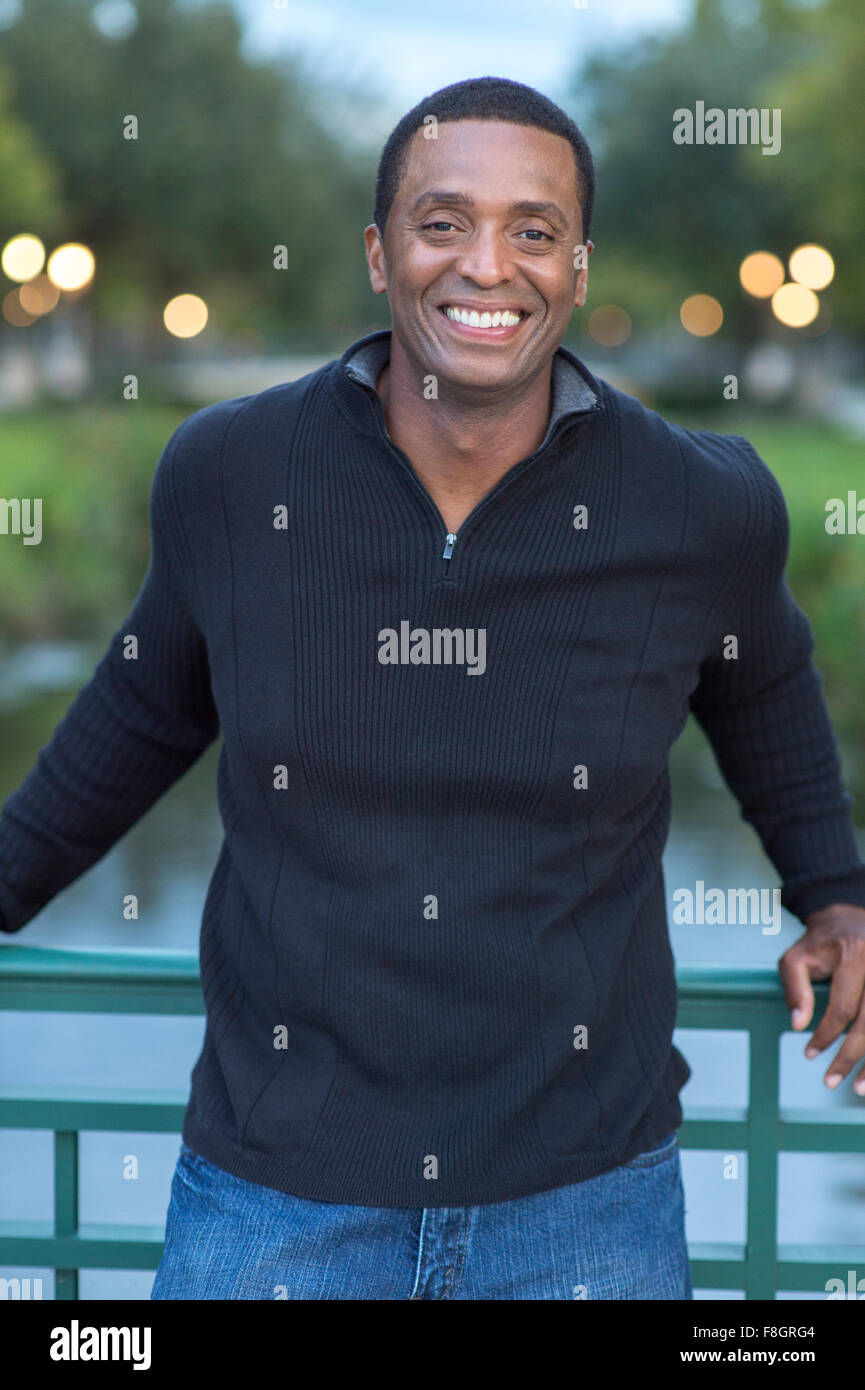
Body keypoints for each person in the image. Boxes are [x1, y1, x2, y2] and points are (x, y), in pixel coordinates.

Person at [3, 76, 865, 1302]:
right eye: (442, 221)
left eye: (533, 229)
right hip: (274, 1204)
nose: (487, 266)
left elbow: (765, 686)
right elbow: (140, 714)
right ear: (378, 252)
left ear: (576, 267)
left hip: (589, 1211)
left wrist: (834, 891)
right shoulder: (234, 474)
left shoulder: (698, 503)